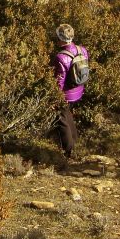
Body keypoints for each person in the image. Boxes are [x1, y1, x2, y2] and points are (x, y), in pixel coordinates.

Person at [51, 23, 87, 161]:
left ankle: (70, 152)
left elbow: (59, 81)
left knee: (62, 121)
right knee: (68, 115)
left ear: (60, 38)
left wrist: (55, 98)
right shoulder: (82, 50)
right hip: (78, 90)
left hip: (66, 94)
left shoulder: (60, 57)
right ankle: (76, 144)